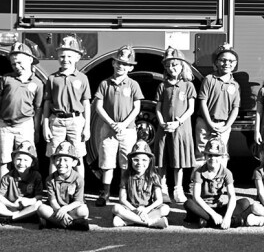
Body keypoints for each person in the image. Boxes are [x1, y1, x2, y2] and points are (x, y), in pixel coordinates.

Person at [94, 46, 144, 207]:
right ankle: (105, 193)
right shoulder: (104, 84)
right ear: (113, 63)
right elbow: (98, 107)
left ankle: (124, 192)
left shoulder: (133, 84)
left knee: (125, 163)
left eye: (125, 64)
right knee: (107, 162)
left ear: (130, 67)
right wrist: (111, 123)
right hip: (108, 128)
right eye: (119, 62)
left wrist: (123, 124)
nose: (121, 66)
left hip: (127, 129)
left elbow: (137, 107)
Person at [42, 35, 92, 176]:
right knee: (54, 156)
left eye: (69, 56)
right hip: (57, 120)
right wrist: (45, 126)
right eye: (62, 56)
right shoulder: (52, 78)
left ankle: (79, 192)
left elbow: (86, 102)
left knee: (78, 157)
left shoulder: (83, 78)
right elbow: (47, 103)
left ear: (77, 57)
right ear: (58, 57)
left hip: (76, 121)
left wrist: (86, 126)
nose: (65, 59)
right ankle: (53, 192)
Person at [154, 47, 197, 204]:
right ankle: (162, 188)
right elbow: (158, 107)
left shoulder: (188, 86)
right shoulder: (162, 86)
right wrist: (161, 122)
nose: (171, 69)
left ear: (182, 66)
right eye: (168, 66)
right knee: (162, 159)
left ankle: (178, 189)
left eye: (175, 65)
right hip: (164, 128)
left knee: (178, 159)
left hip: (181, 129)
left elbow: (191, 108)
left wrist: (178, 122)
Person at [184, 138, 250, 229]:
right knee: (188, 203)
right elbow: (196, 197)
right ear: (205, 156)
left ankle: (208, 222)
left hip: (218, 207)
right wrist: (213, 214)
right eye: (210, 155)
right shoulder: (198, 172)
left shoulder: (227, 173)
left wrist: (227, 217)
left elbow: (232, 197)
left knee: (245, 202)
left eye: (216, 155)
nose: (213, 158)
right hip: (203, 208)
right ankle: (229, 221)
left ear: (223, 157)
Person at [0, 42, 43, 178]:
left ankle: (25, 188)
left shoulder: (37, 83)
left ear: (30, 60)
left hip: (25, 125)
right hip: (4, 125)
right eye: (14, 64)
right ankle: (3, 189)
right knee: (4, 159)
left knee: (26, 158)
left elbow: (38, 108)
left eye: (20, 62)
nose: (17, 67)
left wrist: (36, 130)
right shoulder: (6, 79)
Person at [195, 43, 240, 165]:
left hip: (223, 124)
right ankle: (200, 181)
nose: (227, 63)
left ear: (235, 64)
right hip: (204, 122)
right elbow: (202, 102)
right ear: (216, 62)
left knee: (221, 153)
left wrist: (226, 126)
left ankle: (219, 182)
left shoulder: (235, 85)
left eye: (231, 61)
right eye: (223, 60)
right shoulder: (209, 79)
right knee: (202, 152)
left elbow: (235, 109)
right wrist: (209, 123)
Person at [111, 140, 170, 229]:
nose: (140, 163)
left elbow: (159, 200)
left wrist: (146, 209)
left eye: (144, 160)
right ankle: (150, 222)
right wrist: (136, 211)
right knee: (116, 208)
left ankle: (128, 221)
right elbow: (122, 199)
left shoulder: (154, 176)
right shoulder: (126, 176)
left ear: (150, 161)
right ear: (131, 161)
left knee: (165, 209)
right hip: (131, 209)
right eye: (136, 160)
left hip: (148, 209)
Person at [37, 141, 90, 231]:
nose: (61, 163)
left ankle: (51, 223)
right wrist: (60, 211)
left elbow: (78, 201)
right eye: (58, 159)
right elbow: (52, 201)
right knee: (41, 209)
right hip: (56, 209)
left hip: (71, 208)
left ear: (74, 162)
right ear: (53, 161)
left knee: (83, 211)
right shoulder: (50, 179)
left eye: (66, 160)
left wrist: (65, 209)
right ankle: (72, 224)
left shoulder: (78, 178)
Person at [0, 141, 43, 223]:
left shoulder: (36, 176)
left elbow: (39, 196)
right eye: (18, 159)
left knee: (39, 204)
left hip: (28, 206)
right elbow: (0, 196)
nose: (21, 163)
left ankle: (12, 218)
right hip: (11, 207)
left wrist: (29, 201)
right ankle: (18, 216)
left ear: (33, 163)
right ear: (13, 160)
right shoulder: (7, 177)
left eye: (26, 160)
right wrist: (11, 205)